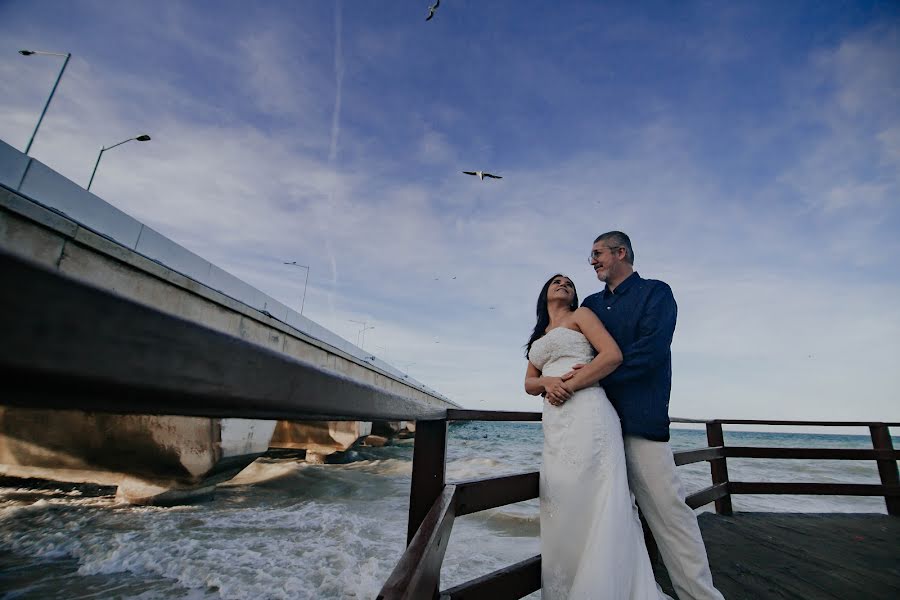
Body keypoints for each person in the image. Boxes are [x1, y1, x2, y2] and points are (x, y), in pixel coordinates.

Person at [562, 231, 724, 600]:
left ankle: (700, 597)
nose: (592, 261)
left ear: (621, 253)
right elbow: (577, 353)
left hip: (640, 421)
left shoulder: (657, 292)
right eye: (591, 255)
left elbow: (651, 351)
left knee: (670, 515)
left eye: (598, 253)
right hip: (594, 424)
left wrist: (591, 376)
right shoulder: (587, 303)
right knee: (606, 519)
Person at [525, 274, 671, 599]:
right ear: (544, 293)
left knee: (600, 497)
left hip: (589, 410)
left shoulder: (583, 316)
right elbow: (529, 383)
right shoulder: (539, 336)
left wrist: (569, 385)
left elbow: (612, 356)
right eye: (555, 281)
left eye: (569, 283)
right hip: (556, 422)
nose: (563, 284)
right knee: (563, 499)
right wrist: (549, 383)